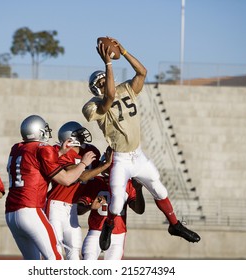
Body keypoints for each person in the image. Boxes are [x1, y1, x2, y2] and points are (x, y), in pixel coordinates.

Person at [82, 37, 201, 251]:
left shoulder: (125, 89)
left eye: (104, 80)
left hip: (138, 155)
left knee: (160, 189)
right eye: (99, 83)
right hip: (120, 159)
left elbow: (142, 72)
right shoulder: (92, 106)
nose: (103, 83)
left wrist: (124, 51)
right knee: (117, 202)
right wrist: (108, 63)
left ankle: (174, 225)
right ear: (94, 89)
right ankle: (109, 224)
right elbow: (108, 97)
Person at [5, 115, 96, 260]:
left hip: (10, 214)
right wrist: (83, 164)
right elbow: (66, 180)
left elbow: (35, 163)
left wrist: (60, 152)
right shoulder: (43, 148)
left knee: (33, 264)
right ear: (37, 131)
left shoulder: (17, 148)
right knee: (55, 258)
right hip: (30, 210)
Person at [46, 121, 112, 260]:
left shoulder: (91, 150)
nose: (83, 136)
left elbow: (96, 170)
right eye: (79, 134)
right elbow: (80, 176)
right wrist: (104, 165)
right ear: (69, 138)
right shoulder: (60, 152)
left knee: (75, 250)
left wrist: (109, 158)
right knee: (54, 249)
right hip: (56, 205)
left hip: (72, 207)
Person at [77, 151, 145, 260]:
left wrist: (139, 189)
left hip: (117, 233)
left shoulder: (128, 184)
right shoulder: (95, 182)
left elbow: (139, 210)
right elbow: (79, 210)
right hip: (96, 231)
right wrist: (90, 207)